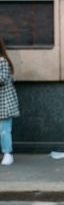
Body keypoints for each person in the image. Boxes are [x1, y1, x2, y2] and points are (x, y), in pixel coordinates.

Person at [0, 37, 20, 166]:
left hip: (4, 103)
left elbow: (1, 79)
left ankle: (8, 153)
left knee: (4, 130)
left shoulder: (2, 61)